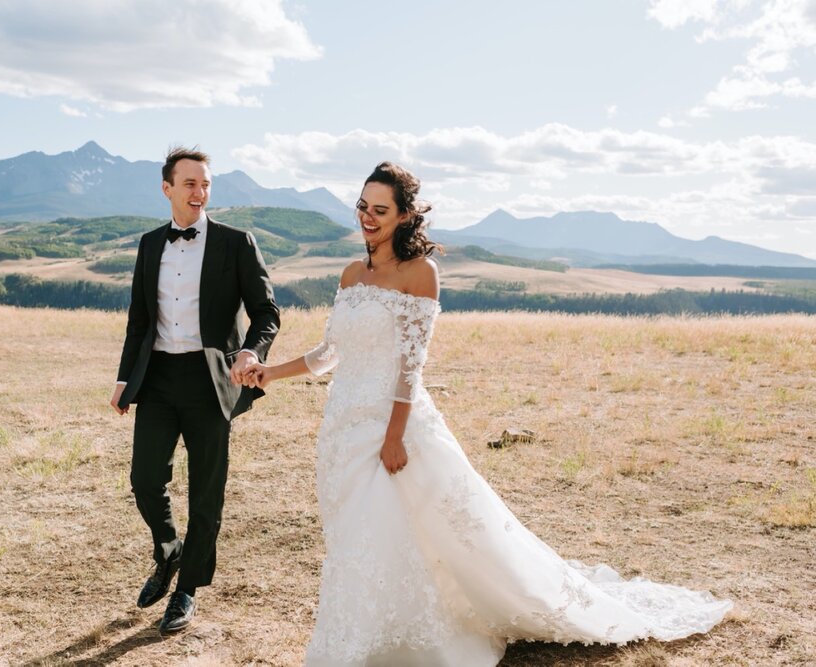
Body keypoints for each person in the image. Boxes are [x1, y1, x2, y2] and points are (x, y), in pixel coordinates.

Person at [244, 162, 732, 666]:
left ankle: (389, 644)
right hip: (341, 429)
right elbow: (331, 351)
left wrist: (394, 437)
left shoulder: (421, 274)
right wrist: (270, 373)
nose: (368, 217)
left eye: (380, 210)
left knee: (391, 532)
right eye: (363, 206)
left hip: (390, 428)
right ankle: (364, 632)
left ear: (406, 215)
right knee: (357, 537)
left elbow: (410, 369)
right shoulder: (350, 274)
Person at [110, 146, 279, 634]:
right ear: (167, 188)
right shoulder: (148, 245)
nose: (199, 192)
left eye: (205, 184)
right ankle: (168, 549)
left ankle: (186, 590)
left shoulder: (235, 243)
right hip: (158, 378)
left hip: (213, 382)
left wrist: (252, 351)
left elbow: (266, 312)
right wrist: (125, 378)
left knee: (207, 492)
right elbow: (139, 320)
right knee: (145, 479)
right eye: (189, 184)